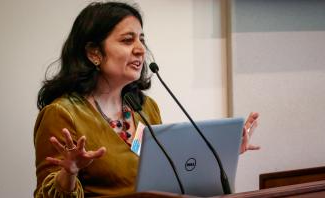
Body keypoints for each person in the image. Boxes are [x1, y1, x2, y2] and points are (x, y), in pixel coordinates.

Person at [33, 1, 260, 197]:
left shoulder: (145, 107)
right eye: (127, 40)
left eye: (141, 39)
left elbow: (171, 174)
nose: (141, 49)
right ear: (94, 53)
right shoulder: (62, 113)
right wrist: (68, 173)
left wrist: (221, 154)